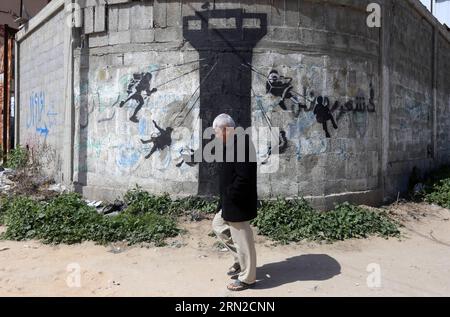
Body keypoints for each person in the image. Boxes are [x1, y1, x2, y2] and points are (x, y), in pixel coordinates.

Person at [211, 114, 258, 291]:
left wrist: (230, 195)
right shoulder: (230, 144)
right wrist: (224, 200)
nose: (216, 135)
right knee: (218, 225)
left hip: (238, 202)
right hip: (229, 201)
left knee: (243, 240)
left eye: (216, 132)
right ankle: (240, 260)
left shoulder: (242, 144)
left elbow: (243, 178)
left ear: (225, 129)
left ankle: (247, 278)